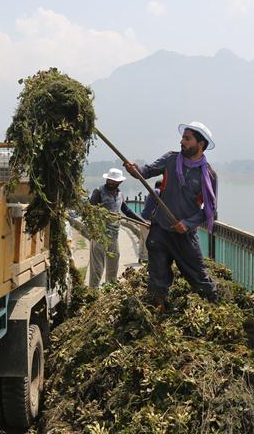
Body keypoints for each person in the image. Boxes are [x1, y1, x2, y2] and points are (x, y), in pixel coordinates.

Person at [124, 122, 218, 308]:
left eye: (187, 138)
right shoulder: (170, 159)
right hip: (160, 230)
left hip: (184, 235)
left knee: (200, 280)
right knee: (157, 279)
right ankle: (158, 312)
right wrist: (135, 171)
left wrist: (188, 223)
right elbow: (147, 171)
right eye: (183, 137)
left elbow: (210, 212)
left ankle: (215, 306)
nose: (181, 141)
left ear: (201, 144)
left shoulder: (208, 175)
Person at [88, 168, 143, 288]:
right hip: (99, 234)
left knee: (113, 264)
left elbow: (127, 211)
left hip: (114, 235)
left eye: (114, 181)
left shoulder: (120, 195)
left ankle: (110, 288)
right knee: (97, 266)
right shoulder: (98, 192)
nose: (111, 183)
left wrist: (143, 222)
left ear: (120, 182)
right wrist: (103, 214)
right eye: (109, 180)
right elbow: (90, 211)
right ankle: (92, 292)